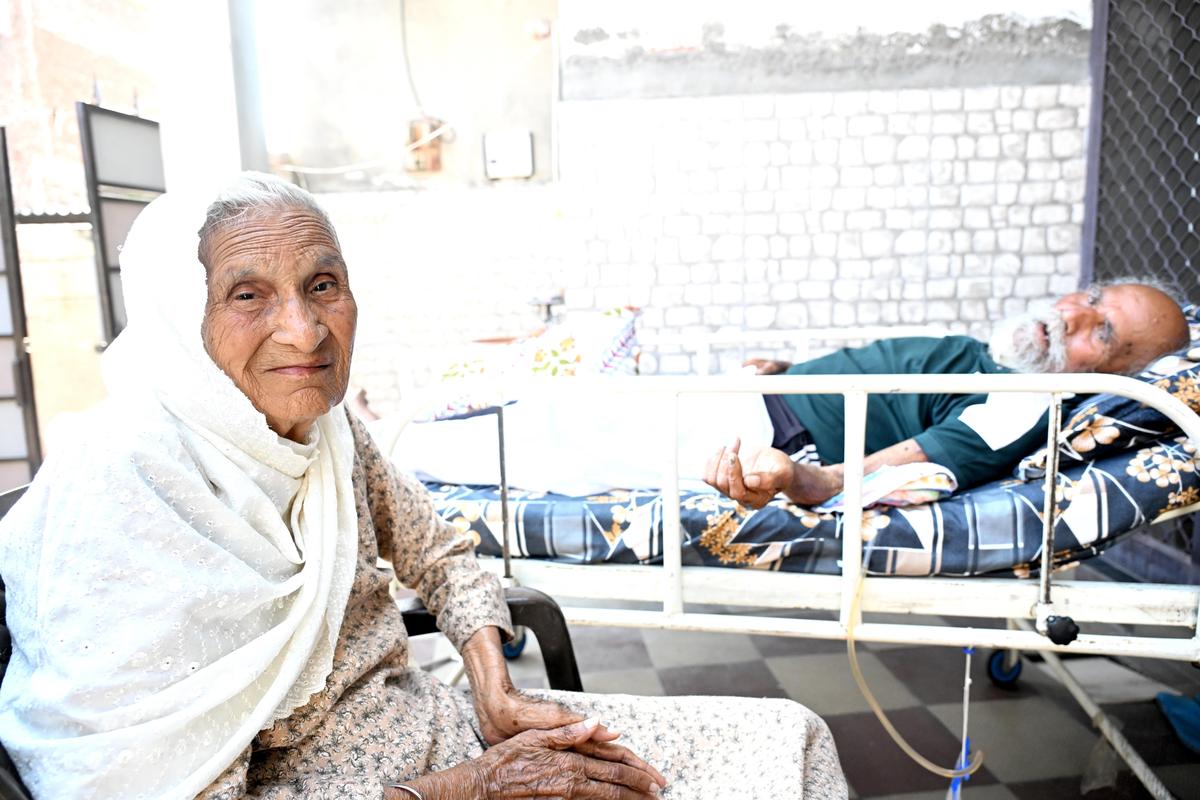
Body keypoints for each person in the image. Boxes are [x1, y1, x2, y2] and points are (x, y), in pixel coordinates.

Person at [0, 173, 846, 800]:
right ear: (179, 323)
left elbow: (440, 555)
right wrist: (471, 787)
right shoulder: (126, 495)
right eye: (248, 295)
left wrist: (492, 684)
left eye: (322, 285)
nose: (305, 330)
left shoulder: (327, 433)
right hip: (394, 791)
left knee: (785, 741)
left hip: (446, 731)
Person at [706, 281, 1190, 509]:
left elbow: (835, 482)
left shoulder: (1024, 402)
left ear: (1119, 375)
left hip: (767, 433)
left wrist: (792, 475)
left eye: (1102, 333)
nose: (1072, 315)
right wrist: (792, 371)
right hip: (763, 401)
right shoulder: (1000, 368)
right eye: (1093, 297)